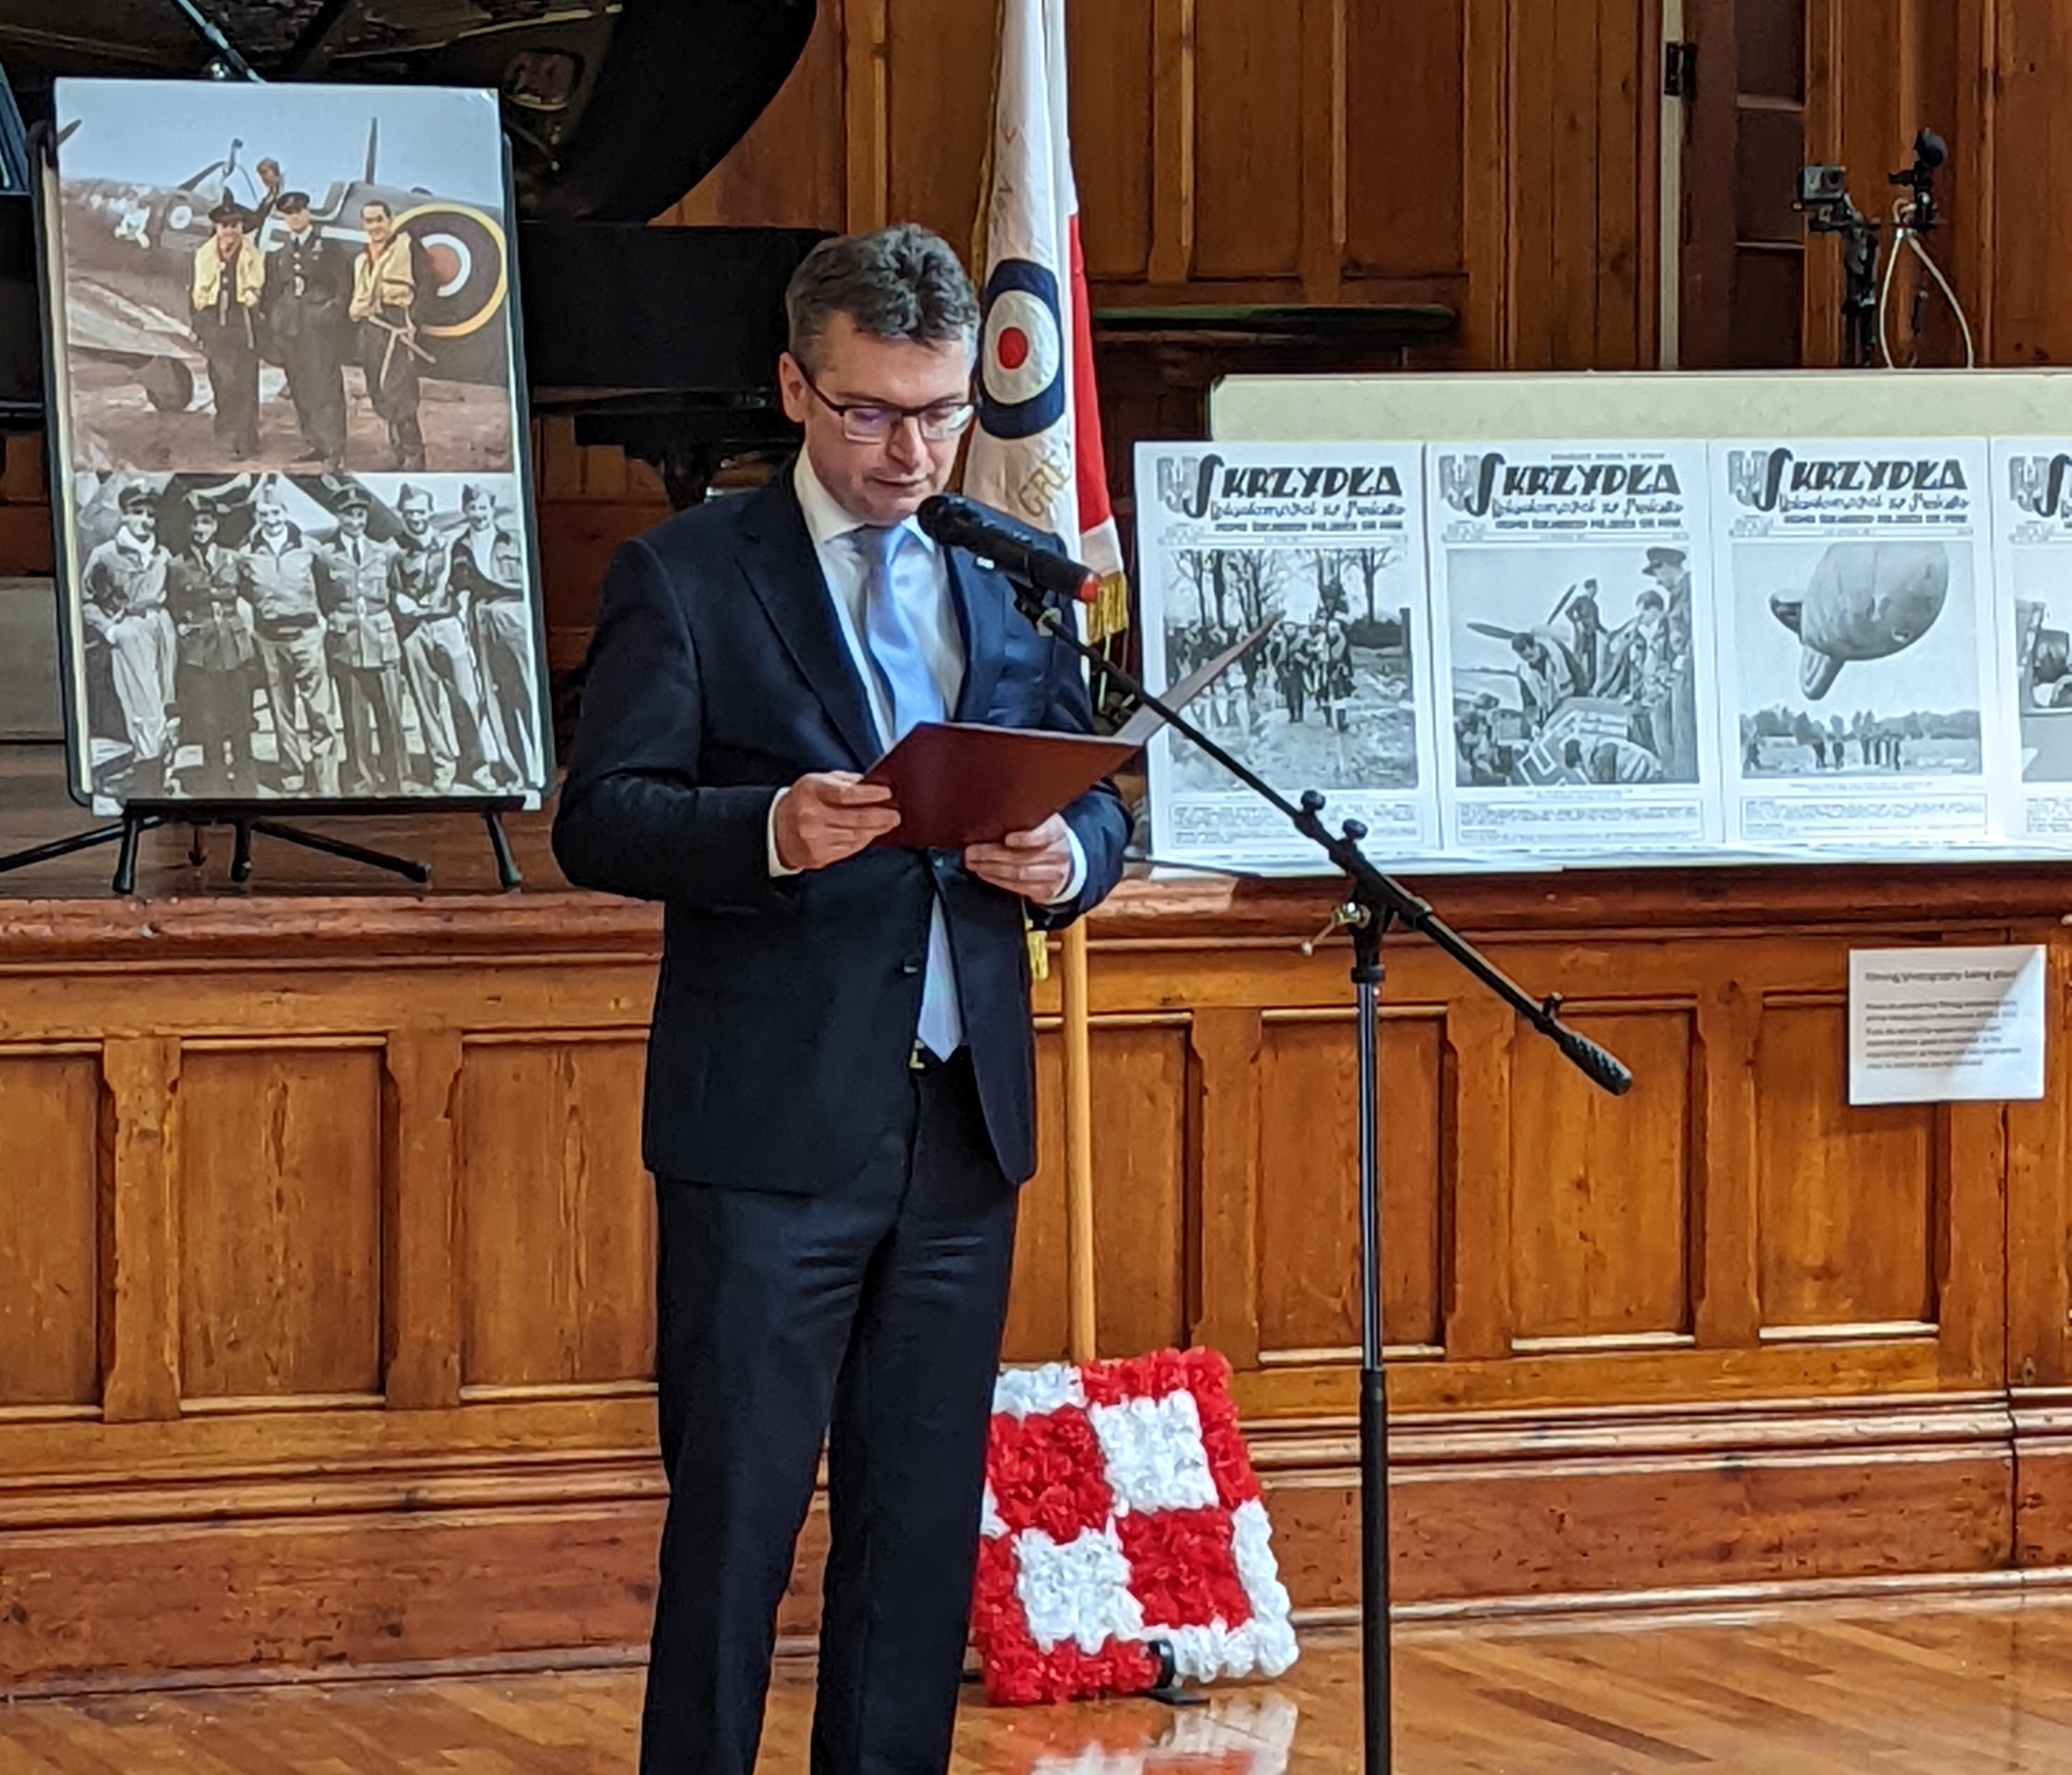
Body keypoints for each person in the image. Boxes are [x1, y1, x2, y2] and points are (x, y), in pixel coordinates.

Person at [551, 224, 1129, 1775]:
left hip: (958, 1128)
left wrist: (1066, 859)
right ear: (795, 389)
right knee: (735, 1529)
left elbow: (1093, 796)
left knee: (916, 1534)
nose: (909, 451)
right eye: (871, 411)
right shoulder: (687, 576)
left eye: (938, 412)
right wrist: (763, 829)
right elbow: (600, 817)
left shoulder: (1006, 573)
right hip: (767, 1132)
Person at [389, 484, 499, 793]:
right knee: (427, 705)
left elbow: (467, 580)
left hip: (447, 626)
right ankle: (443, 768)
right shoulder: (394, 551)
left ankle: (477, 767)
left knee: (466, 698)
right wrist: (396, 599)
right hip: (414, 631)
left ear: (431, 512)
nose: (416, 518)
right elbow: (384, 588)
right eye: (409, 513)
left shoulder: (452, 545)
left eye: (421, 512)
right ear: (402, 514)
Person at [239, 490, 340, 796]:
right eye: (265, 514)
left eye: (276, 513)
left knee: (320, 711)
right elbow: (243, 591)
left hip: (307, 636)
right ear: (257, 516)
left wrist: (323, 621)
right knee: (281, 712)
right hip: (270, 640)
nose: (271, 520)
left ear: (285, 512)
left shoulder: (309, 548)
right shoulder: (247, 554)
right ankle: (292, 777)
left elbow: (329, 584)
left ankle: (326, 782)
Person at [81, 483, 179, 794]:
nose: (145, 521)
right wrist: (110, 630)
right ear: (124, 515)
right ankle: (149, 783)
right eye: (137, 513)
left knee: (166, 704)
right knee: (144, 708)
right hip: (131, 629)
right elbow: (87, 600)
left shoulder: (162, 553)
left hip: (162, 627)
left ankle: (164, 773)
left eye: (150, 515)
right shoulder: (106, 554)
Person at [316, 488, 410, 796]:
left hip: (381, 643)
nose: (355, 522)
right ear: (338, 516)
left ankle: (396, 781)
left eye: (360, 515)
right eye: (348, 516)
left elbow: (395, 593)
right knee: (354, 719)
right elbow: (324, 599)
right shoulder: (326, 556)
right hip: (347, 645)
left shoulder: (385, 553)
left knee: (390, 715)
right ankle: (362, 782)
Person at [447, 483, 541, 786]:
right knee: (495, 695)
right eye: (472, 508)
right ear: (465, 510)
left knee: (527, 690)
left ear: (492, 509)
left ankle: (539, 767)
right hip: (482, 618)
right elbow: (458, 585)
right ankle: (515, 772)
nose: (478, 514)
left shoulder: (512, 540)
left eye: (483, 508)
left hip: (513, 615)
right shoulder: (460, 546)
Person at [166, 494, 256, 797]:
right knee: (209, 721)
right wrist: (183, 628)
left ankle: (245, 781)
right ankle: (216, 783)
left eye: (206, 522)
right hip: (200, 652)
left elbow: (253, 593)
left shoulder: (233, 559)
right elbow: (173, 605)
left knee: (242, 719)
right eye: (194, 523)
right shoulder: (177, 565)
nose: (200, 529)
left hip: (235, 648)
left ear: (215, 526)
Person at [260, 192, 351, 469]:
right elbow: (272, 292)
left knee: (325, 387)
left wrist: (331, 312)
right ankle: (315, 443)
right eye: (289, 213)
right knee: (300, 388)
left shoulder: (328, 248)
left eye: (299, 211)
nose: (295, 217)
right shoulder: (280, 254)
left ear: (308, 213)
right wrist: (276, 319)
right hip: (290, 331)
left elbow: (343, 286)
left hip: (319, 331)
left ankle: (334, 449)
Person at [349, 199, 428, 470]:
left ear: (390, 220)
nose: (375, 226)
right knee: (378, 390)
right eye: (369, 221)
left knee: (400, 391)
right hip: (370, 327)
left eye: (379, 220)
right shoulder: (361, 258)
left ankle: (414, 455)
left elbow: (427, 285)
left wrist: (413, 320)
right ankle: (398, 454)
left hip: (398, 325)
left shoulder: (408, 247)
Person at [190, 201, 263, 460]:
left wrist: (251, 302)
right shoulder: (204, 255)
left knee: (244, 383)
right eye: (225, 226)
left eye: (235, 225)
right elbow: (195, 292)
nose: (230, 231)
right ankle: (228, 428)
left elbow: (257, 288)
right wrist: (199, 325)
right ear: (217, 228)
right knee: (222, 381)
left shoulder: (252, 255)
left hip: (241, 324)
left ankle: (246, 441)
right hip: (213, 324)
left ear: (241, 227)